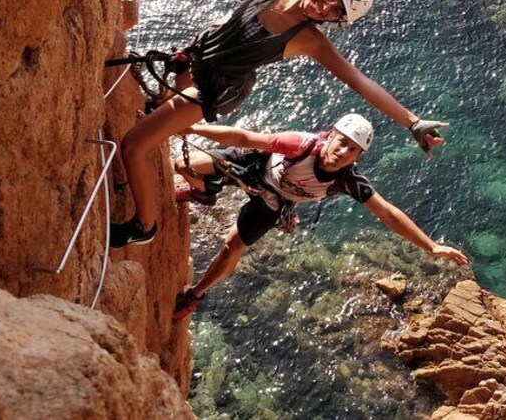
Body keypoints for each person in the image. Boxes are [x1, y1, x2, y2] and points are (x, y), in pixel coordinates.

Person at [109, 0, 448, 246]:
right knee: (160, 111)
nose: (325, 8)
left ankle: (145, 227)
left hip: (217, 89)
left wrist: (412, 122)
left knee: (134, 144)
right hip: (198, 59)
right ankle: (167, 126)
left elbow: (360, 82)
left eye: (335, 12)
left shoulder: (308, 40)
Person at [161, 113, 468, 319]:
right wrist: (190, 128)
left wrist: (431, 246)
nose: (343, 152)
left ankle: (195, 294)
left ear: (358, 158)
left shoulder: (348, 180)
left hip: (275, 198)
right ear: (331, 136)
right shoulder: (300, 145)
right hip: (254, 166)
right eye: (342, 142)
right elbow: (244, 138)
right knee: (181, 164)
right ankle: (205, 191)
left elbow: (387, 213)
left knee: (233, 245)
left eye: (352, 151)